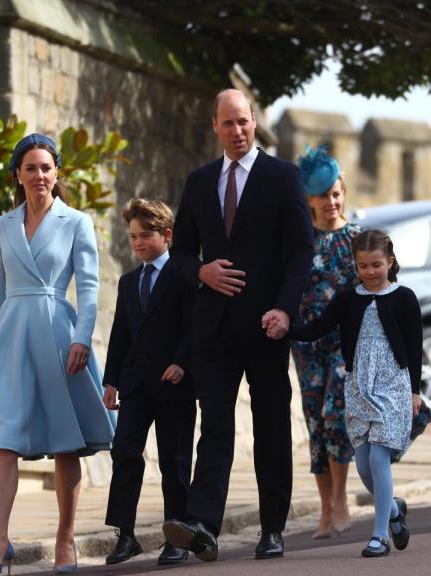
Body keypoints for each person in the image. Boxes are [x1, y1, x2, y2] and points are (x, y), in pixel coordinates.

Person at [162, 89, 314, 562]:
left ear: (254, 122)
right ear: (215, 127)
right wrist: (200, 272)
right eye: (228, 124)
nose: (238, 131)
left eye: (244, 122)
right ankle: (203, 523)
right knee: (216, 427)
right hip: (214, 327)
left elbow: (300, 252)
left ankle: (272, 528)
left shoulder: (283, 177)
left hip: (267, 325)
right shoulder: (200, 181)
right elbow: (181, 252)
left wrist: (285, 310)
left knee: (270, 426)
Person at [0, 133, 115, 574]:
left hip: (59, 336)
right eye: (31, 168)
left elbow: (87, 288)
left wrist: (83, 337)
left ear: (57, 172)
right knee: (4, 442)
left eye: (46, 167)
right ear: (18, 175)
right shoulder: (3, 225)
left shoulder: (76, 222)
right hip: (9, 338)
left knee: (66, 443)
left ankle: (65, 540)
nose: (39, 175)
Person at [276, 229, 427, 557]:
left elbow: (415, 349)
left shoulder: (404, 298)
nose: (370, 272)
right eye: (363, 266)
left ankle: (379, 535)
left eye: (376, 264)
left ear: (390, 262)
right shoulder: (347, 299)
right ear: (355, 266)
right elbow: (318, 328)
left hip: (394, 385)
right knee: (362, 465)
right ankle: (395, 510)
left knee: (378, 457)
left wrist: (415, 392)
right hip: (359, 386)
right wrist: (286, 329)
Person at [101, 199, 196, 566]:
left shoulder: (184, 276)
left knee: (174, 462)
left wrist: (181, 364)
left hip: (174, 384)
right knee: (124, 453)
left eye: (145, 236)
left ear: (166, 235)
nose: (138, 243)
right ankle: (125, 535)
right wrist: (111, 381)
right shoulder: (128, 283)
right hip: (136, 385)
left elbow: (193, 326)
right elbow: (120, 335)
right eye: (133, 237)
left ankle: (176, 538)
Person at [292, 145, 358, 539]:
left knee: (337, 416)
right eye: (322, 195)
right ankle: (324, 509)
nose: (330, 202)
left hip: (344, 344)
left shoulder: (357, 239)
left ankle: (342, 501)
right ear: (309, 199)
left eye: (336, 193)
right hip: (305, 345)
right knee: (316, 420)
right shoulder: (300, 241)